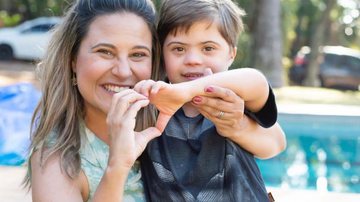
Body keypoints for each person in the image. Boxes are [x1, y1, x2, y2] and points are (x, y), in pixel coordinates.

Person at [135, 0, 286, 201]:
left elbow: (257, 82)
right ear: (162, 55)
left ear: (231, 54)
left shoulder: (231, 96)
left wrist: (187, 91)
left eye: (208, 48)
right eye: (178, 49)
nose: (193, 59)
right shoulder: (154, 102)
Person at [23, 0, 163, 201]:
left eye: (138, 54)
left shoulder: (171, 125)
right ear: (72, 59)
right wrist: (117, 166)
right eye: (105, 52)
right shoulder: (57, 161)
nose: (123, 71)